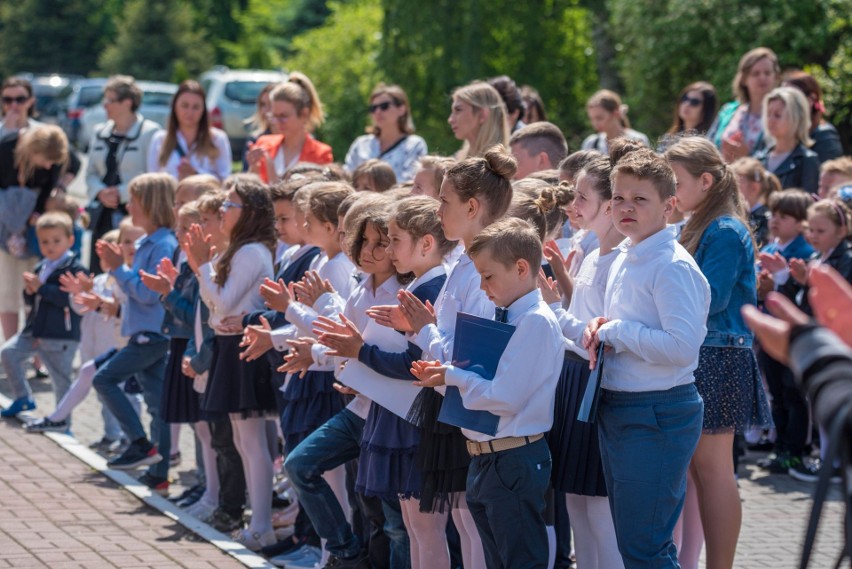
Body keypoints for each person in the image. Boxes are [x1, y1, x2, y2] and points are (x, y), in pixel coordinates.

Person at [411, 216, 564, 569]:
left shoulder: (536, 321)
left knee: (521, 561)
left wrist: (451, 375)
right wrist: (448, 378)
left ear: (522, 268)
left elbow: (503, 398)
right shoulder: (507, 316)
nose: (482, 287)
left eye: (488, 276)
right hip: (487, 457)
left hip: (513, 458)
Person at [583, 147, 710, 569]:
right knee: (634, 542)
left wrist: (616, 331)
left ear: (669, 206)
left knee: (646, 547)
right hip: (620, 405)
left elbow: (681, 347)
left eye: (640, 199)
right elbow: (626, 324)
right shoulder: (626, 255)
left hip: (657, 411)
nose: (625, 208)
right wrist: (598, 328)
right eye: (619, 198)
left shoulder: (672, 265)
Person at [666, 137, 772, 569]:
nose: (668, 190)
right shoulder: (702, 225)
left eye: (675, 182)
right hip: (707, 354)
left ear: (705, 181)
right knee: (702, 472)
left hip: (719, 355)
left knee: (714, 471)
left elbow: (711, 298)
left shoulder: (724, 229)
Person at [185, 177, 278, 550]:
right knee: (242, 439)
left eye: (230, 205)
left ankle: (262, 524)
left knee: (252, 441)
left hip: (246, 346)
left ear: (250, 212)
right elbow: (215, 312)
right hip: (230, 345)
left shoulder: (252, 252)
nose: (223, 211)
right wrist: (205, 269)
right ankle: (257, 521)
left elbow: (221, 304)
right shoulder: (238, 251)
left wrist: (200, 266)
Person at [545, 153, 625, 569]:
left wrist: (551, 310)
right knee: (575, 501)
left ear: (609, 206)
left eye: (581, 197)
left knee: (597, 505)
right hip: (574, 379)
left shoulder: (623, 261)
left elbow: (598, 334)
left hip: (596, 386)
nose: (571, 206)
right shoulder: (593, 256)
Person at [91, 173, 178, 495]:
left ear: (152, 205)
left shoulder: (164, 243)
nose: (129, 206)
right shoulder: (148, 242)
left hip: (152, 335)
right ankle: (159, 473)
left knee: (103, 378)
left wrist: (117, 267)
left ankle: (140, 444)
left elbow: (148, 292)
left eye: (135, 201)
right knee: (158, 408)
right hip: (144, 333)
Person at [23, 221, 144, 445]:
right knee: (102, 393)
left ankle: (131, 439)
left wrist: (100, 302)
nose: (106, 260)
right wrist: (80, 293)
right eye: (102, 255)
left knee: (126, 395)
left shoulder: (130, 280)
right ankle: (112, 435)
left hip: (120, 350)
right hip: (92, 348)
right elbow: (80, 308)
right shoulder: (97, 281)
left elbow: (122, 310)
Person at [0, 212, 86, 418]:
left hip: (60, 335)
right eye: (44, 241)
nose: (50, 246)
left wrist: (41, 288)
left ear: (70, 240)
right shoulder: (41, 266)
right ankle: (22, 398)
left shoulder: (75, 268)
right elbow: (34, 300)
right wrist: (29, 292)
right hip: (35, 330)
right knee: (9, 353)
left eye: (56, 240)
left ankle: (63, 423)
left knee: (61, 382)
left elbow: (69, 300)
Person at [86, 75, 163, 274]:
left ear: (127, 102)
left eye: (110, 101)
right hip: (103, 213)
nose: (105, 106)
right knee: (100, 266)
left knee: (129, 266)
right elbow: (91, 173)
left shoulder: (151, 133)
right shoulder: (99, 132)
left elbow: (153, 175)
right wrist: (100, 192)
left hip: (134, 214)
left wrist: (122, 193)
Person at [0, 125, 70, 342]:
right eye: (46, 161)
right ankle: (9, 348)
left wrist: (37, 212)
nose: (49, 165)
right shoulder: (7, 147)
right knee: (8, 291)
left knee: (35, 291)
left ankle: (35, 352)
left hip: (36, 232)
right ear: (33, 149)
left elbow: (56, 180)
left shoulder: (55, 156)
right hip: (5, 228)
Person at [247, 73, 331, 184]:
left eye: (283, 116)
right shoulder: (264, 143)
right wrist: (253, 169)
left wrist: (274, 178)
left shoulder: (321, 154)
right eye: (274, 116)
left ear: (304, 114)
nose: (277, 122)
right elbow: (250, 191)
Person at [148, 80, 232, 181]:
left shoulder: (217, 139)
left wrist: (196, 173)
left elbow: (225, 179)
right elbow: (152, 180)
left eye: (196, 107)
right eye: (185, 106)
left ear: (203, 110)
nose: (190, 112)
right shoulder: (160, 139)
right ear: (175, 106)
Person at [708, 47, 780, 163]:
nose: (762, 77)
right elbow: (708, 145)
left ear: (776, 77)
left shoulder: (781, 114)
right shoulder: (728, 111)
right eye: (755, 73)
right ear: (744, 79)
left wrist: (747, 156)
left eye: (767, 73)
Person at [345, 83, 428, 183]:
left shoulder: (415, 145)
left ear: (402, 109)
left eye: (384, 106)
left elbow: (410, 183)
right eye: (373, 108)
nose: (378, 111)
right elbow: (347, 178)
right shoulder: (360, 144)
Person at [755, 87, 820, 193]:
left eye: (777, 115)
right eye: (768, 114)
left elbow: (807, 203)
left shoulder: (807, 160)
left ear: (796, 118)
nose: (770, 120)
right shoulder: (759, 157)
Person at [782, 69, 843, 164]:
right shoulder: (783, 134)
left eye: (792, 98)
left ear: (811, 99)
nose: (783, 104)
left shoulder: (825, 135)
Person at [448, 82, 509, 160]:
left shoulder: (503, 167)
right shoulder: (458, 159)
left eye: (458, 110)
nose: (450, 120)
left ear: (482, 115)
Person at [732, 157, 780, 250]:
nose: (731, 190)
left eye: (736, 184)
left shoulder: (766, 218)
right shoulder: (738, 214)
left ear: (754, 187)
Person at [580, 90, 649, 154]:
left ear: (616, 113)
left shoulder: (638, 140)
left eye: (599, 118)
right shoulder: (591, 144)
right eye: (592, 119)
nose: (595, 123)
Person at [241, 82, 278, 171]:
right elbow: (245, 175)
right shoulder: (255, 140)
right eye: (263, 104)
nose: (265, 110)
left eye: (270, 104)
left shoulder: (294, 139)